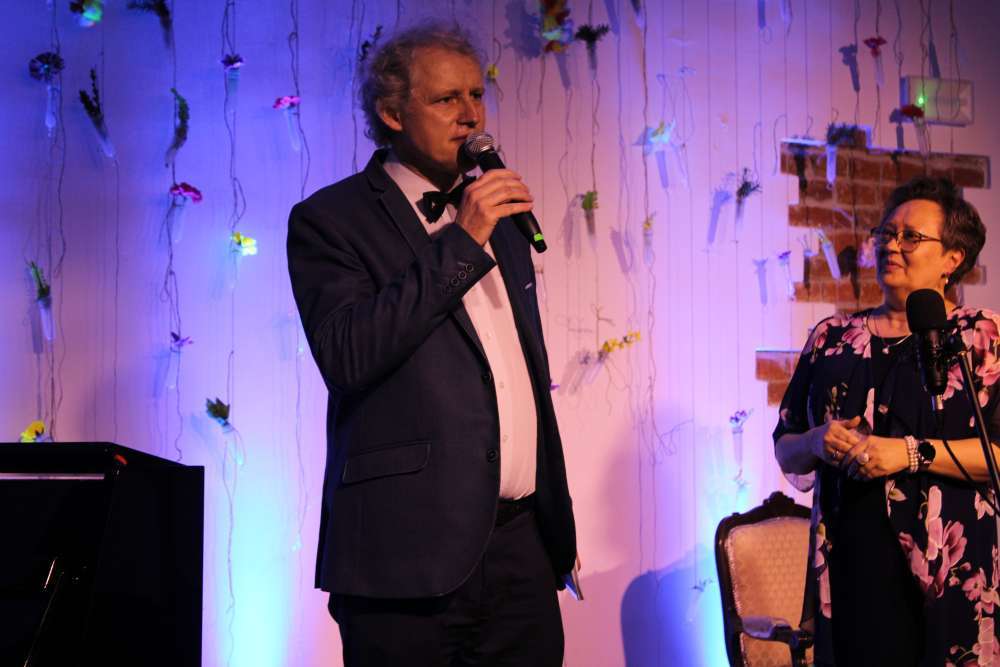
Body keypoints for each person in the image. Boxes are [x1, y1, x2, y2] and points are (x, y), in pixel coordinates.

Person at [286, 23, 576, 666]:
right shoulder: (331, 220)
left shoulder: (496, 218)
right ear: (392, 113)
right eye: (447, 99)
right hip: (404, 557)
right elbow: (348, 354)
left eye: (476, 94)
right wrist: (461, 241)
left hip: (521, 552)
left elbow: (510, 373)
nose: (470, 115)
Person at [774, 176, 1000, 665]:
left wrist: (910, 453)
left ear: (952, 258)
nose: (892, 246)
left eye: (911, 237)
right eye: (886, 234)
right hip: (851, 571)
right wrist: (815, 440)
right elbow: (785, 446)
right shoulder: (831, 337)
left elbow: (998, 455)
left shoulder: (980, 336)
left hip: (951, 579)